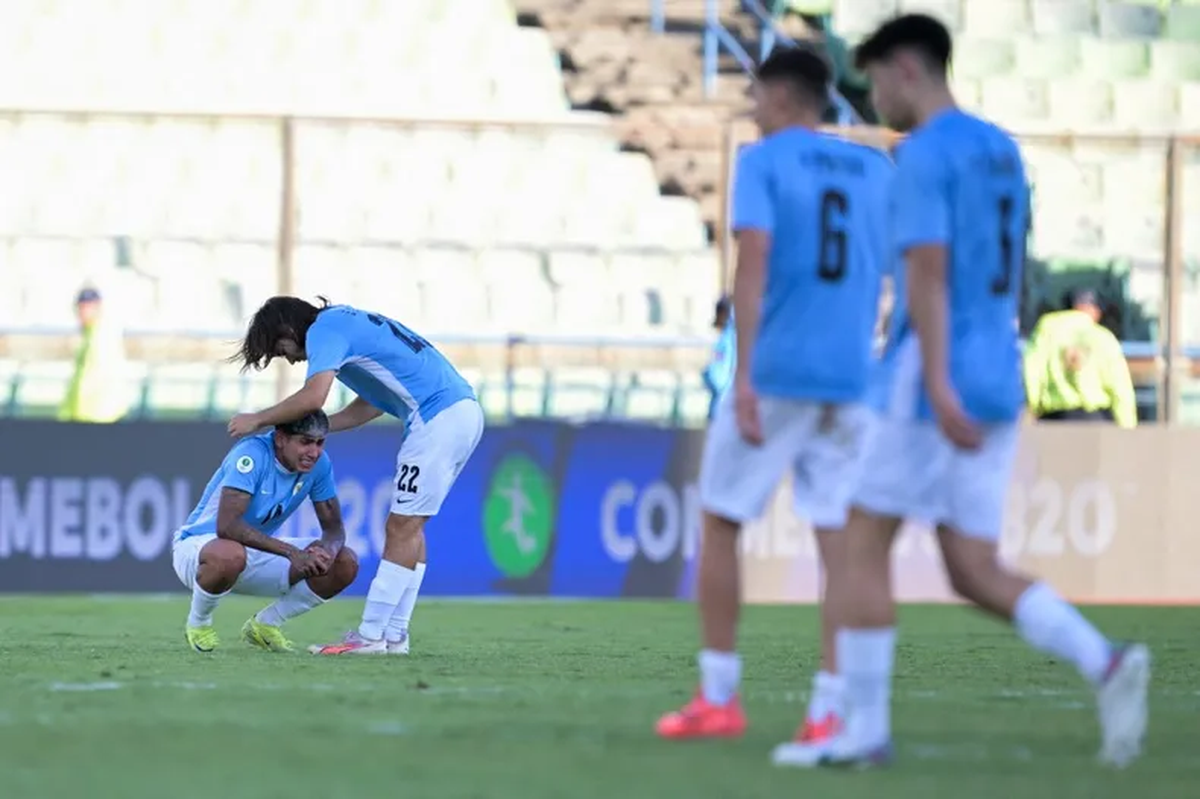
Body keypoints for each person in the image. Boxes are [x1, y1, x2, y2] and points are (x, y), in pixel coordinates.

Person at [774, 14, 1150, 770]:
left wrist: (935, 380)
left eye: (876, 78)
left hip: (931, 371)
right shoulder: (1001, 151)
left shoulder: (923, 156)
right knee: (971, 564)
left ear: (907, 70)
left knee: (858, 542)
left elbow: (929, 272)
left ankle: (863, 730)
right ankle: (1107, 662)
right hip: (996, 368)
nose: (874, 95)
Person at [655, 45, 892, 748]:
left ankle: (720, 694)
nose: (752, 109)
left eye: (757, 95)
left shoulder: (763, 163)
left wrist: (745, 373)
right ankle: (831, 703)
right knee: (841, 542)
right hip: (851, 375)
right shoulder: (877, 167)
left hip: (782, 369)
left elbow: (751, 266)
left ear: (783, 97)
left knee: (723, 520)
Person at [227, 297, 484, 655]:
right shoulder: (347, 324)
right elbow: (373, 402)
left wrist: (259, 418)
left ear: (287, 329)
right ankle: (394, 636)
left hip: (437, 418)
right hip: (461, 412)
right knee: (411, 528)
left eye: (280, 348)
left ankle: (371, 635)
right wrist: (320, 430)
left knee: (401, 527)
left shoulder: (323, 330)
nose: (288, 358)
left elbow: (313, 396)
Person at [171, 410, 358, 653]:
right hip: (201, 548)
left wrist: (327, 554)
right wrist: (293, 553)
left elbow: (334, 531)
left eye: (319, 443)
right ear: (280, 439)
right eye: (305, 442)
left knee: (345, 562)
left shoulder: (320, 465)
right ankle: (198, 624)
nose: (314, 452)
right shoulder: (252, 454)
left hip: (253, 550)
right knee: (229, 553)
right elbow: (227, 527)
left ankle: (265, 625)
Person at [1024, 289, 1137, 427]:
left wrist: (1034, 406)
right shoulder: (1103, 337)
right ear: (1094, 310)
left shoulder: (1046, 329)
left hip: (1054, 418)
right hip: (1094, 420)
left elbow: (1031, 371)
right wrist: (1127, 427)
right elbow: (1120, 387)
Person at [58, 286, 131, 423]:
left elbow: (92, 379)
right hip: (91, 415)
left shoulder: (100, 337)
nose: (82, 313)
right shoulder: (90, 335)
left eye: (87, 308)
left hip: (97, 416)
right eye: (80, 308)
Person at [702, 295, 736, 421]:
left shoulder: (727, 339)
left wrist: (706, 374)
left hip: (724, 406)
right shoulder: (736, 336)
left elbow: (718, 376)